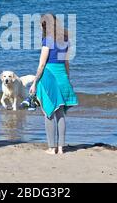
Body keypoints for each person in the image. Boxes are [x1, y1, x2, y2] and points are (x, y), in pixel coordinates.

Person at [29, 14, 78, 155]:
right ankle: (61, 148)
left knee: (48, 112)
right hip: (62, 75)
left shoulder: (47, 40)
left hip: (49, 76)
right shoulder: (65, 39)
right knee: (60, 113)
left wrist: (34, 82)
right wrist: (67, 79)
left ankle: (52, 148)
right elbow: (67, 62)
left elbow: (42, 64)